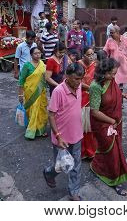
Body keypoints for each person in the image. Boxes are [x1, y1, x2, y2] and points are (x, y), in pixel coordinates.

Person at [89, 58, 127, 196]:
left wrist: (125, 95)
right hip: (103, 123)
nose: (113, 77)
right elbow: (94, 111)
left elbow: (115, 94)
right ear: (103, 72)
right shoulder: (95, 86)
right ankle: (114, 180)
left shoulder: (111, 80)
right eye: (111, 74)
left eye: (115, 73)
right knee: (112, 151)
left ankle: (97, 166)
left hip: (115, 120)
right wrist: (111, 121)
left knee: (112, 149)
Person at [43, 63, 85, 201]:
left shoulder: (78, 86)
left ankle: (73, 192)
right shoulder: (58, 91)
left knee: (76, 165)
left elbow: (82, 86)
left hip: (77, 134)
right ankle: (49, 173)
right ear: (67, 76)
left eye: (80, 79)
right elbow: (51, 115)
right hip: (61, 138)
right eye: (75, 79)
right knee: (61, 165)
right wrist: (58, 136)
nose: (78, 82)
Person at [18, 47, 48, 139]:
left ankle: (40, 130)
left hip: (41, 91)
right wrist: (20, 94)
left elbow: (45, 78)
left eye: (39, 53)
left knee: (41, 110)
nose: (38, 55)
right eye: (35, 53)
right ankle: (31, 131)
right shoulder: (27, 65)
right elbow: (21, 80)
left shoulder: (43, 64)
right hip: (30, 92)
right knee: (32, 110)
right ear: (31, 55)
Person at [103, 25, 127, 90]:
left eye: (112, 32)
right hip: (114, 69)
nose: (110, 34)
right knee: (115, 87)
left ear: (118, 32)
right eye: (110, 32)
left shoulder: (126, 40)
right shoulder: (109, 41)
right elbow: (104, 52)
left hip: (126, 68)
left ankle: (122, 96)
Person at [78, 47, 97, 159]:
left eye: (92, 54)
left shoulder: (96, 65)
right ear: (83, 55)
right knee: (80, 126)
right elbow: (76, 80)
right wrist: (90, 87)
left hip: (92, 99)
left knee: (89, 127)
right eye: (88, 55)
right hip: (80, 98)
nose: (91, 57)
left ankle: (90, 151)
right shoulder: (78, 65)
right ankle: (81, 152)